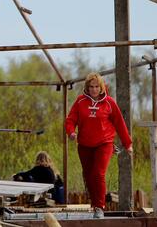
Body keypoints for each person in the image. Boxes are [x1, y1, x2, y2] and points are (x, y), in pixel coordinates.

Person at [65, 72, 133, 218]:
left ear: (101, 87)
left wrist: (127, 144)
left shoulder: (109, 102)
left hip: (104, 143)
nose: (94, 89)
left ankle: (99, 207)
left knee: (98, 173)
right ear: (87, 88)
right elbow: (70, 120)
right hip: (84, 144)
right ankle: (94, 203)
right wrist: (70, 132)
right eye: (91, 87)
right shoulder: (80, 101)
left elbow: (120, 124)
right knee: (88, 175)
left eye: (97, 86)